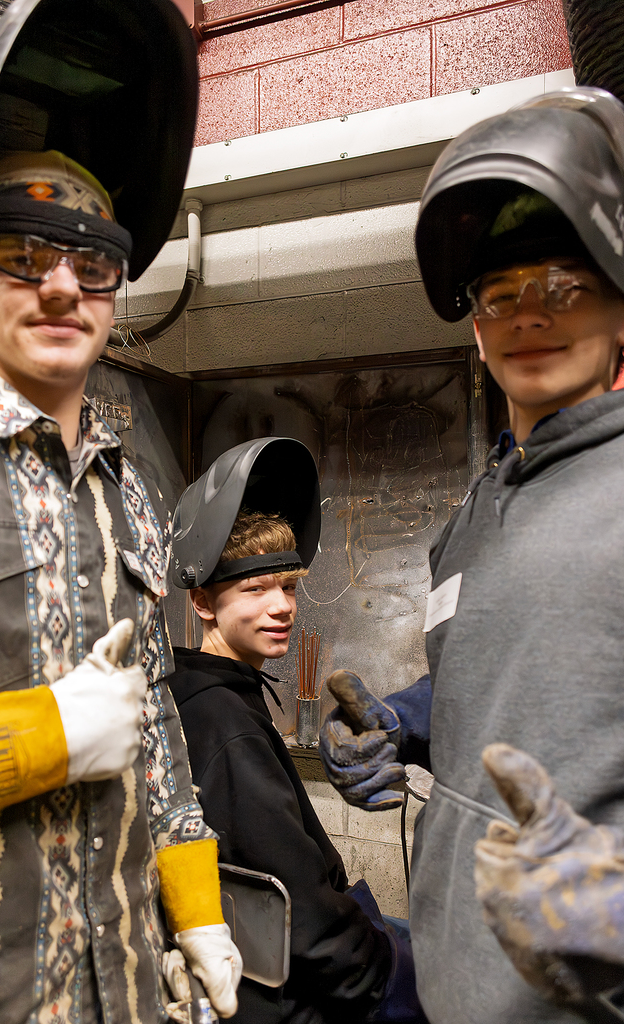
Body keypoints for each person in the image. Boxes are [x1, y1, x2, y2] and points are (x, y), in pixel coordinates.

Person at [0, 0, 241, 1020]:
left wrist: (196, 907)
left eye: (90, 263)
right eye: (21, 253)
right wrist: (34, 737)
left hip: (125, 989)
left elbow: (158, 722)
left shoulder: (127, 485)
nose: (59, 287)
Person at [319, 84, 624, 1024]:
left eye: (563, 284)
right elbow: (496, 673)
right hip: (459, 991)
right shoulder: (480, 507)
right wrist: (403, 721)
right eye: (499, 293)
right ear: (477, 329)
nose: (529, 313)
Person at [166, 437, 427, 1024]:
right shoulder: (224, 723)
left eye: (287, 586)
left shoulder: (202, 688)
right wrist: (386, 981)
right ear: (203, 600)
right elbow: (299, 910)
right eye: (255, 589)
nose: (281, 606)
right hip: (299, 987)